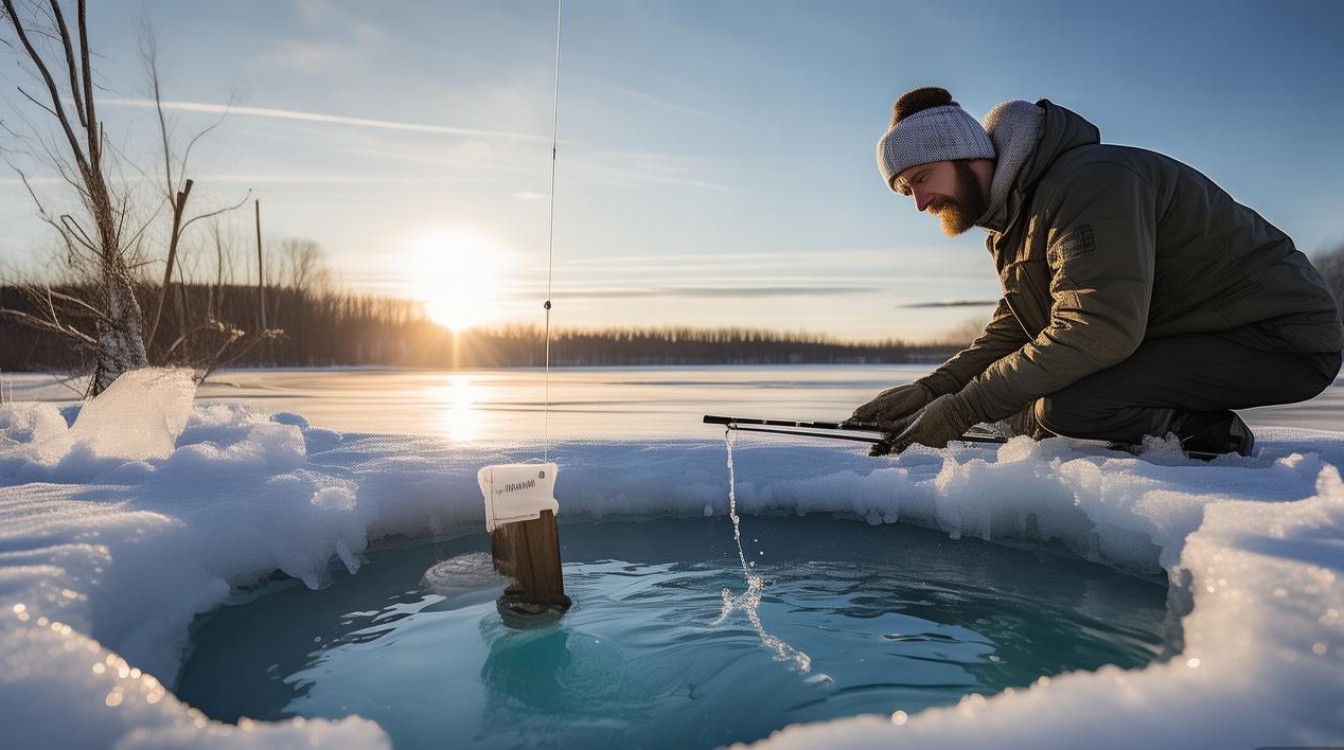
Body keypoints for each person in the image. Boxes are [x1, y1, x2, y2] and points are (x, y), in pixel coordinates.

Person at [851, 87, 1343, 457]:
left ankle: (1214, 438)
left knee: (1069, 407)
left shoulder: (1089, 183)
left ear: (966, 153)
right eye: (905, 191)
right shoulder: (1017, 221)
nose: (919, 203)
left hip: (1279, 338)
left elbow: (1099, 329)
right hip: (1196, 332)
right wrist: (934, 390)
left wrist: (964, 410)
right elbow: (1013, 332)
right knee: (1032, 407)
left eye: (921, 178)